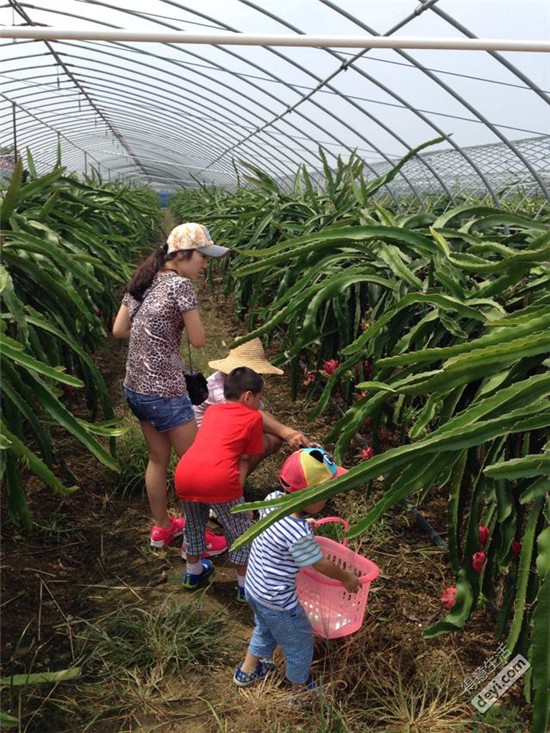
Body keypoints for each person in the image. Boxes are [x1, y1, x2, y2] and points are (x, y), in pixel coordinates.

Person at [112, 222, 228, 557]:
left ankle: (163, 528)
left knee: (158, 459)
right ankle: (197, 538)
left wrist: (151, 333)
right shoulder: (181, 286)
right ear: (183, 254)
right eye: (202, 257)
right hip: (164, 392)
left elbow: (119, 330)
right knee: (195, 467)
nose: (205, 264)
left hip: (135, 389)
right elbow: (198, 340)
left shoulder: (143, 281)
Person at [234, 447, 361, 699]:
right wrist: (346, 577)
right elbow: (320, 563)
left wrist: (305, 524)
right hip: (279, 601)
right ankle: (299, 692)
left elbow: (285, 529)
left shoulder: (272, 500)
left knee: (265, 628)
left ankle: (247, 671)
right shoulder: (297, 533)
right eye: (325, 493)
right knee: (300, 644)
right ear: (310, 496)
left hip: (255, 588)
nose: (329, 497)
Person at [174, 367, 265, 601]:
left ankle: (192, 573)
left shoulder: (213, 412)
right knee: (240, 529)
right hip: (219, 480)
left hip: (185, 474)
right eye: (259, 397)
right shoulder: (254, 417)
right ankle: (245, 585)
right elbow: (246, 457)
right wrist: (238, 487)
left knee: (194, 524)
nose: (259, 403)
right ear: (248, 396)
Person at [194, 338, 311, 473]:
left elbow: (261, 413)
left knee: (271, 434)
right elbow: (247, 413)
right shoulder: (218, 390)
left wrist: (284, 432)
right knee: (262, 441)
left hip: (216, 440)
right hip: (202, 444)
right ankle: (228, 484)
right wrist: (287, 433)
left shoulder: (232, 382)